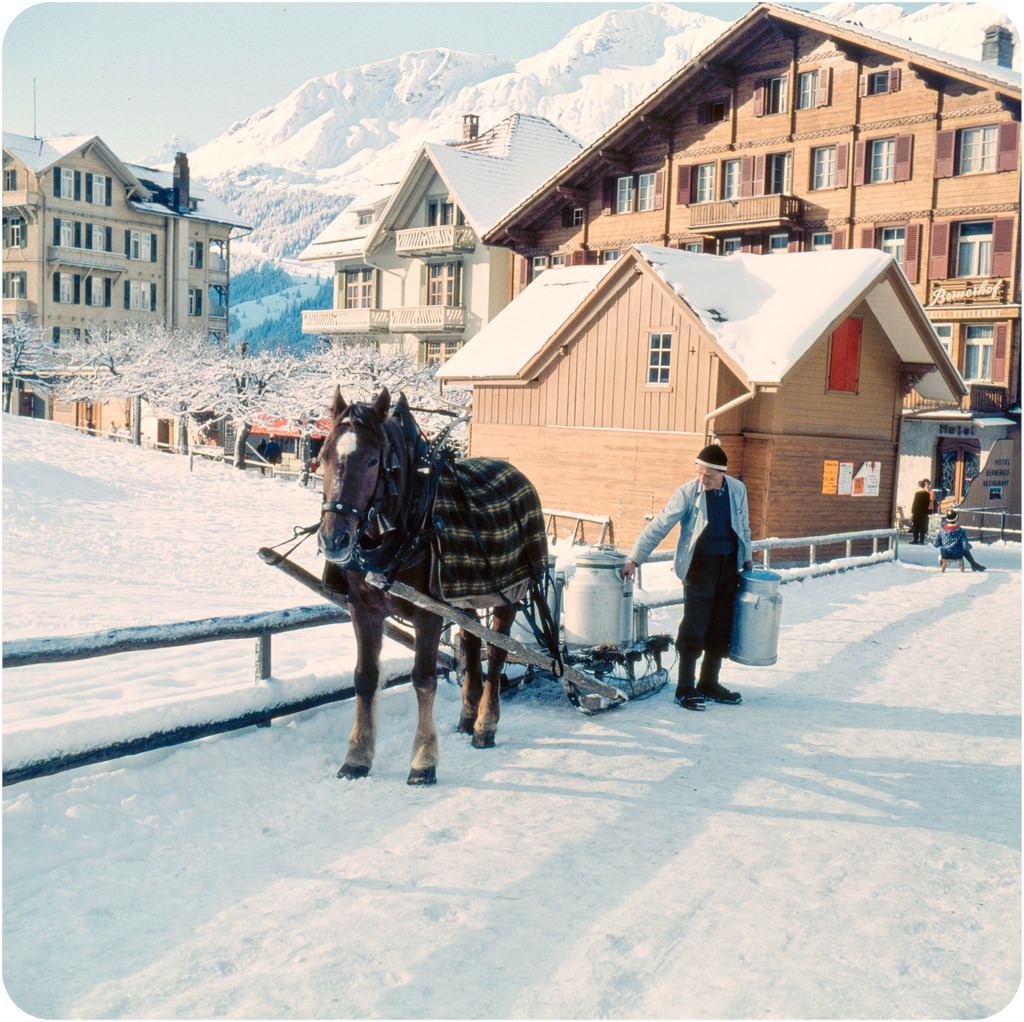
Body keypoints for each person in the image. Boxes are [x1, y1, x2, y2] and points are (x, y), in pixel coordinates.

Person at [622, 443, 753, 710]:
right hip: (699, 566)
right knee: (695, 625)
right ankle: (685, 686)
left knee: (720, 625)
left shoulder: (737, 490)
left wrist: (747, 559)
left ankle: (709, 683)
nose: (703, 480)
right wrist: (635, 558)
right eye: (700, 473)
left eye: (709, 476)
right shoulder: (686, 493)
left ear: (722, 475)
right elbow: (660, 525)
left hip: (728, 566)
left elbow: (744, 526)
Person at [910, 479, 933, 544]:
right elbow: (928, 504)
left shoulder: (917, 494)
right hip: (924, 513)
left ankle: (915, 539)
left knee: (915, 526)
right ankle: (921, 540)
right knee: (923, 526)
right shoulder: (927, 494)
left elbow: (914, 504)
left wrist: (912, 513)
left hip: (917, 512)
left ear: (919, 486)